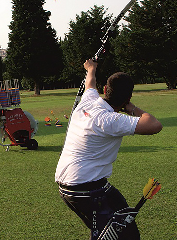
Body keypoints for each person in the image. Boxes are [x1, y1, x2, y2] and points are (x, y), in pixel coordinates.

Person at [55, 59, 162, 239]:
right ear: (128, 98)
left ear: (105, 90)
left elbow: (90, 82)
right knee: (123, 234)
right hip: (87, 189)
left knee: (110, 230)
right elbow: (154, 125)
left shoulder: (89, 100)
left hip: (70, 187)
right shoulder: (111, 120)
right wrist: (132, 108)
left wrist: (91, 67)